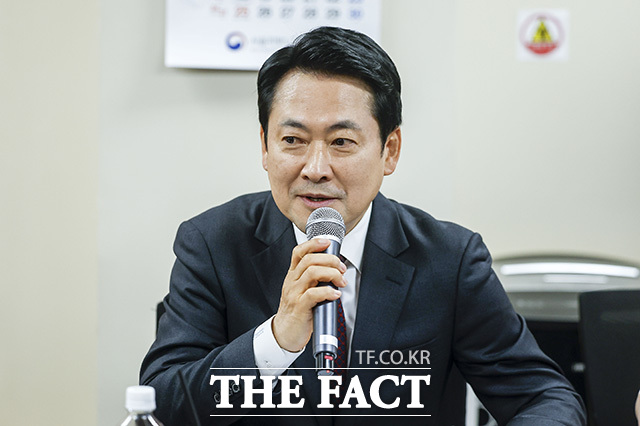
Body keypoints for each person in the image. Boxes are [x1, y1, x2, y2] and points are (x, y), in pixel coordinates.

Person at [140, 26, 585, 425]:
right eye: (293, 140)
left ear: (389, 151)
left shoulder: (449, 259)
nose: (316, 168)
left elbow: (545, 398)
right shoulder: (213, 243)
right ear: (265, 146)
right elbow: (161, 403)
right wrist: (275, 340)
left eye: (342, 142)